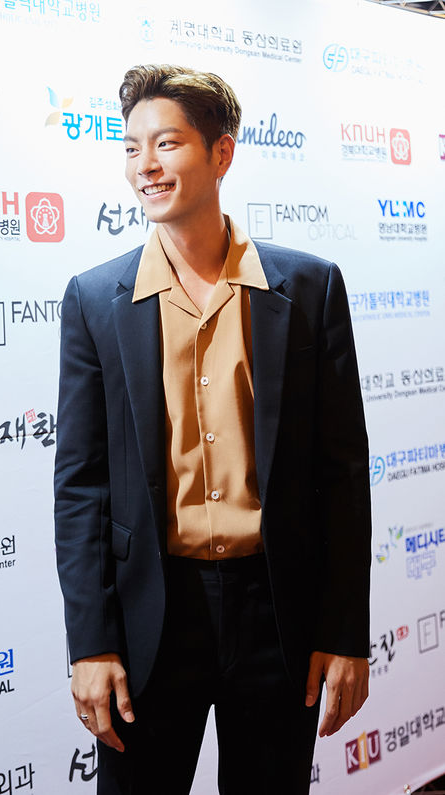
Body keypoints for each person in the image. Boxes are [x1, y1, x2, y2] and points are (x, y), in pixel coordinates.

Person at [54, 64, 371, 795]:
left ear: (221, 152)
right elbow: (81, 486)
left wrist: (344, 631)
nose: (145, 165)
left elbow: (342, 475)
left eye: (166, 143)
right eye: (131, 148)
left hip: (277, 611)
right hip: (151, 615)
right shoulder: (95, 299)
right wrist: (91, 643)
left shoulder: (309, 287)